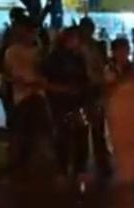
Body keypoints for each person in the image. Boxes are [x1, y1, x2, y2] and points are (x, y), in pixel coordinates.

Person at [3, 15, 55, 187]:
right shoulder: (13, 51)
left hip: (34, 97)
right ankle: (20, 168)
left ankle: (29, 169)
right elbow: (14, 76)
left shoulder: (37, 51)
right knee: (23, 134)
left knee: (36, 133)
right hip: (25, 98)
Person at [44, 27, 89, 183]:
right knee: (62, 135)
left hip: (76, 101)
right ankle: (63, 168)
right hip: (60, 102)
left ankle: (79, 168)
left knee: (81, 132)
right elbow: (46, 81)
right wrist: (62, 89)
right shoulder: (54, 58)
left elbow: (84, 79)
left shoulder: (78, 58)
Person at [105, 38, 134, 188]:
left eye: (126, 50)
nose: (123, 53)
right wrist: (120, 79)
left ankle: (132, 176)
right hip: (117, 109)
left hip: (133, 108)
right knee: (119, 142)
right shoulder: (110, 68)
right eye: (120, 50)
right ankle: (123, 176)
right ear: (114, 52)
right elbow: (107, 89)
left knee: (132, 142)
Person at [79, 17, 112, 182]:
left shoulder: (95, 46)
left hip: (94, 88)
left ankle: (100, 160)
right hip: (85, 90)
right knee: (85, 127)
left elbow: (102, 65)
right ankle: (90, 161)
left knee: (97, 127)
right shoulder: (80, 48)